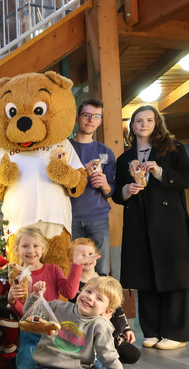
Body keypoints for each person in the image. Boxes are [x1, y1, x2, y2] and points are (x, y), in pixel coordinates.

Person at [112, 105, 189, 351]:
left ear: (156, 123)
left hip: (169, 224)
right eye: (139, 120)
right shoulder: (124, 158)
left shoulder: (173, 148)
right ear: (132, 125)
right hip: (138, 224)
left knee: (174, 275)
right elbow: (117, 194)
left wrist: (160, 172)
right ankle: (151, 331)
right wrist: (127, 190)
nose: (144, 124)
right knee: (145, 276)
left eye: (149, 120)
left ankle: (175, 333)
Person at [12, 277, 148, 369]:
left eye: (99, 298)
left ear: (107, 311)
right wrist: (35, 296)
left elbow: (109, 357)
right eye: (88, 291)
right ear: (81, 291)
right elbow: (29, 315)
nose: (90, 297)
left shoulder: (100, 325)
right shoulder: (58, 307)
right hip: (49, 367)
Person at [7, 226, 95, 369]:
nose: (31, 251)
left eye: (35, 246)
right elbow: (23, 314)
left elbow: (70, 293)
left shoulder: (52, 269)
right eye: (25, 246)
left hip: (54, 333)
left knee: (57, 368)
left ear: (43, 249)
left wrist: (77, 265)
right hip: (31, 335)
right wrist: (12, 300)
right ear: (16, 249)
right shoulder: (17, 276)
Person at [69, 238, 141, 365]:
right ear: (71, 260)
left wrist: (127, 329)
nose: (87, 258)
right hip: (88, 331)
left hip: (113, 332)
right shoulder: (73, 285)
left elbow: (117, 306)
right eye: (82, 255)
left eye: (90, 254)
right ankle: (97, 352)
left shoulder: (105, 278)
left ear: (97, 256)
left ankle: (109, 347)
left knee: (133, 355)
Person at [69, 97, 116, 276]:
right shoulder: (64, 149)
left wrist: (105, 185)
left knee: (101, 271)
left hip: (98, 218)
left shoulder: (106, 152)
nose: (90, 120)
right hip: (69, 218)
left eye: (96, 116)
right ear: (77, 118)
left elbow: (111, 191)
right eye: (86, 115)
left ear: (100, 122)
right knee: (72, 271)